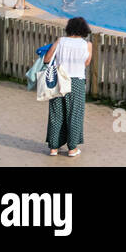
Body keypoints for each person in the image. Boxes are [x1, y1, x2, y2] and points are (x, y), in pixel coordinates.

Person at [44, 16, 93, 157]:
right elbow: (86, 63)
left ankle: (53, 148)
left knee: (56, 113)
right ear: (84, 29)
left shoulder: (60, 41)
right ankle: (72, 148)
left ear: (69, 28)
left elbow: (47, 59)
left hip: (59, 79)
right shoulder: (87, 44)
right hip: (76, 81)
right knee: (75, 114)